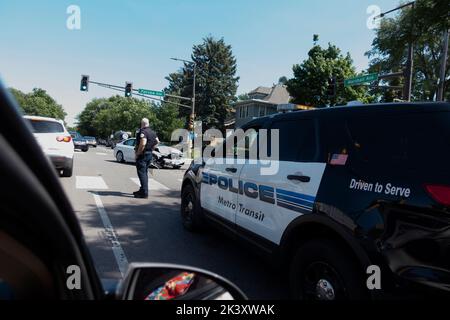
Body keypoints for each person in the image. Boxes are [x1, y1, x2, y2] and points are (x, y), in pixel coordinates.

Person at [134, 118, 159, 198]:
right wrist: (152, 148)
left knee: (142, 174)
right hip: (149, 154)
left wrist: (138, 153)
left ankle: (144, 193)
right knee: (144, 173)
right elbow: (158, 141)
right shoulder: (153, 132)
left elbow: (143, 143)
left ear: (142, 124)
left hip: (143, 155)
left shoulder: (143, 131)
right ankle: (142, 189)